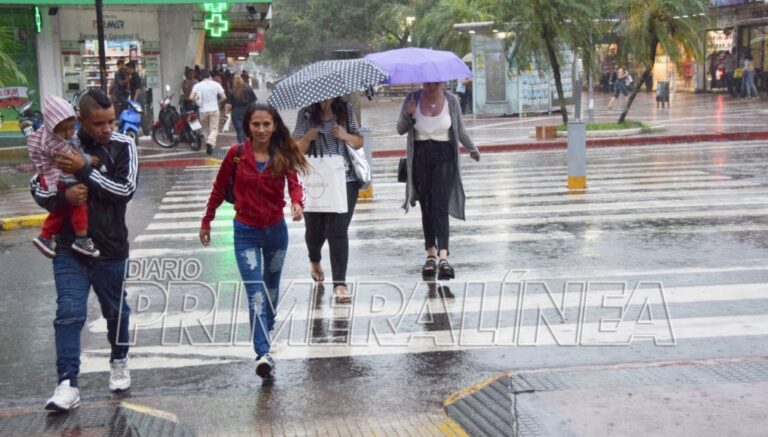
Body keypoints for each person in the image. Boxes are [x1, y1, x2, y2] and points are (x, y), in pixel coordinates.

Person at [30, 89, 138, 411]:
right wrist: (64, 199)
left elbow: (125, 191)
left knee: (116, 311)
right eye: (98, 123)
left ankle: (119, 360)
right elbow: (39, 186)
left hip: (110, 248)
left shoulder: (123, 146)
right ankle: (67, 383)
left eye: (111, 122)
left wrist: (84, 170)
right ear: (81, 121)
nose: (107, 129)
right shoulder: (60, 140)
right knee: (69, 314)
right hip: (69, 247)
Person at [199, 103, 309, 379]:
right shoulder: (236, 155)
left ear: (274, 126)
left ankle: (266, 325)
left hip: (275, 232)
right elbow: (219, 187)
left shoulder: (281, 154)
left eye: (266, 125)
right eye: (256, 124)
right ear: (248, 126)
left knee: (271, 287)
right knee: (255, 292)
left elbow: (294, 183)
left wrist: (297, 203)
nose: (261, 130)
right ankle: (263, 352)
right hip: (245, 232)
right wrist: (207, 219)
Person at [397, 82, 480, 280]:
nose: (431, 84)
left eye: (436, 81)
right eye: (427, 81)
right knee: (427, 206)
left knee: (440, 206)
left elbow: (459, 129)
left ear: (442, 82)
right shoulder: (412, 99)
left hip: (445, 156)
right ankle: (431, 254)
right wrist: (408, 114)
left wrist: (472, 148)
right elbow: (400, 129)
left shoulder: (451, 100)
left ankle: (444, 256)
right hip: (420, 156)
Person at [293, 97, 363, 303]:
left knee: (338, 230)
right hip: (316, 179)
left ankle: (340, 283)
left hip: (345, 179)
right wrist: (307, 138)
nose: (326, 98)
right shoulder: (305, 113)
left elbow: (359, 141)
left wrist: (345, 135)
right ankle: (314, 258)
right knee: (315, 230)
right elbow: (296, 149)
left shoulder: (346, 109)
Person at [30, 95, 100, 258]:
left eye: (72, 127)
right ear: (51, 127)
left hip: (61, 180)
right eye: (63, 130)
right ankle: (81, 239)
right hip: (62, 181)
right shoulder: (55, 143)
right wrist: (90, 160)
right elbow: (75, 160)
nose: (69, 133)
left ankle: (45, 236)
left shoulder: (61, 137)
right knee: (78, 205)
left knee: (62, 212)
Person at [191, 69, 226, 155]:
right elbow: (224, 97)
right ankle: (210, 143)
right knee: (214, 129)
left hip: (202, 110)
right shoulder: (216, 84)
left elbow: (191, 97)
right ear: (209, 76)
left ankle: (209, 146)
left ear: (201, 76)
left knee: (205, 130)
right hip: (214, 109)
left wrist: (197, 102)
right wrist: (218, 102)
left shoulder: (197, 86)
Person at [227, 75, 257, 144]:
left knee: (239, 130)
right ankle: (249, 144)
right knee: (247, 129)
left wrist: (227, 112)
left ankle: (241, 145)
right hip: (247, 112)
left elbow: (229, 104)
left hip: (236, 113)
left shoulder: (231, 91)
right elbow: (254, 101)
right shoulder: (248, 89)